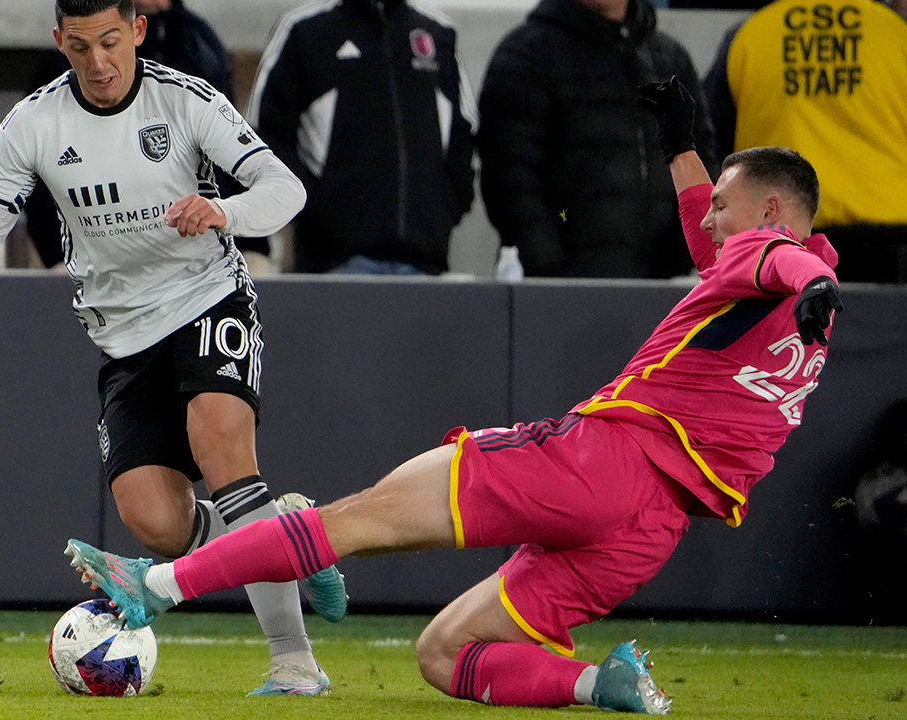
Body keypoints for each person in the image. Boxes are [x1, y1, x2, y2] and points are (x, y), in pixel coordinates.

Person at [63, 77, 844, 714]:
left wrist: (812, 280)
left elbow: (772, 261)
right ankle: (599, 685)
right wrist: (682, 148)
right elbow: (735, 252)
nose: (710, 217)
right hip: (651, 532)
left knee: (349, 520)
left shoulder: (780, 263)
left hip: (602, 463)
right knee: (447, 657)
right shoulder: (784, 294)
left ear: (772, 215)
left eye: (725, 204)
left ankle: (156, 585)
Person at [0, 0, 345, 697]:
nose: (98, 62)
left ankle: (294, 663)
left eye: (110, 41)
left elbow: (284, 189)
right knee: (157, 523)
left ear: (137, 30)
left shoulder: (187, 99)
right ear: (59, 41)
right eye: (79, 47)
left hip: (208, 299)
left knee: (222, 447)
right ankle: (286, 533)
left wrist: (223, 211)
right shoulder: (34, 122)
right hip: (124, 337)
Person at [703, 0, 907, 283]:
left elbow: (712, 137)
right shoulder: (902, 32)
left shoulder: (751, 35)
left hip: (779, 232)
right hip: (893, 232)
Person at [21, 0, 275, 273]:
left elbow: (230, 145)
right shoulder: (72, 55)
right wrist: (59, 255)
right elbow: (37, 163)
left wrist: (253, 244)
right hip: (104, 257)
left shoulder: (199, 41)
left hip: (202, 256)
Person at [475, 0, 716, 279]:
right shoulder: (527, 54)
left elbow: (701, 158)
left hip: (661, 288)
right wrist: (548, 271)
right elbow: (510, 179)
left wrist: (682, 257)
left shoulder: (669, 58)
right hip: (560, 290)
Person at [246, 0, 476, 275]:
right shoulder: (305, 30)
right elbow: (261, 135)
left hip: (425, 265)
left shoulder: (438, 33)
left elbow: (464, 134)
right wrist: (313, 208)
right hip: (335, 265)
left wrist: (443, 212)